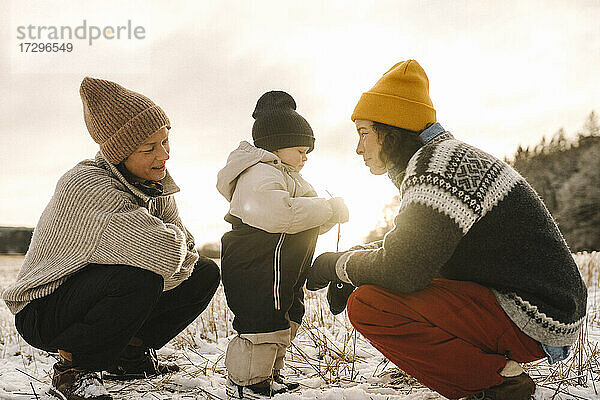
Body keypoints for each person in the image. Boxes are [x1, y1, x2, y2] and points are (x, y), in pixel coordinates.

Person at [307, 60, 587, 400]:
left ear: (392, 129)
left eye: (364, 133)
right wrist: (353, 262)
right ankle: (493, 372)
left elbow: (404, 270)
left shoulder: (436, 169)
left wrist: (339, 266)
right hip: (541, 307)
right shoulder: (445, 160)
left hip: (532, 316)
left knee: (370, 305)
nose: (358, 148)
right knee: (390, 282)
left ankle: (498, 384)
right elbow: (418, 250)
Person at [2, 77, 220, 400]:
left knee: (205, 272)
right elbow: (166, 253)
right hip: (43, 310)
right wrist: (166, 249)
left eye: (165, 142)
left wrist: (167, 249)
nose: (165, 155)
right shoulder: (88, 186)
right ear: (120, 153)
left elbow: (183, 249)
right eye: (150, 148)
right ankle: (72, 369)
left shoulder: (154, 183)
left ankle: (128, 354)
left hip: (93, 292)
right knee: (140, 279)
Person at [216, 91, 349, 398]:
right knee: (261, 323)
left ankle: (269, 374)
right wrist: (327, 208)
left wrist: (328, 215)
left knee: (283, 317)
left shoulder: (288, 176)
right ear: (276, 144)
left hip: (282, 269)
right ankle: (246, 380)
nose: (306, 157)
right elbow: (279, 215)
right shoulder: (258, 173)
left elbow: (302, 219)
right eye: (301, 149)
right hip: (258, 266)